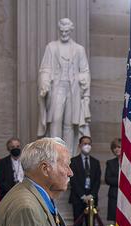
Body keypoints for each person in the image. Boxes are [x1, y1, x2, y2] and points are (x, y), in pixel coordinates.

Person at [38, 18, 91, 150]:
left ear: (70, 30)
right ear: (59, 30)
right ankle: (55, 152)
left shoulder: (79, 49)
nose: (64, 34)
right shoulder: (51, 47)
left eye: (66, 31)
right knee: (56, 120)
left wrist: (82, 79)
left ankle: (68, 154)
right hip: (57, 87)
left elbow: (85, 70)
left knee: (70, 123)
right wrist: (44, 81)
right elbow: (45, 68)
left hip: (73, 89)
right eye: (62, 31)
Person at [68, 135, 101, 226]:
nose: (87, 146)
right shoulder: (73, 161)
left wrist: (91, 195)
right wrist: (83, 196)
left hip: (92, 199)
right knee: (78, 225)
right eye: (84, 143)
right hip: (78, 198)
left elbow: (97, 181)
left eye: (89, 144)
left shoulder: (95, 162)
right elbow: (73, 180)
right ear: (80, 145)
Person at [104, 138, 121, 223]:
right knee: (115, 221)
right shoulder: (110, 162)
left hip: (127, 196)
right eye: (114, 147)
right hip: (114, 195)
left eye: (119, 147)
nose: (116, 149)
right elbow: (108, 179)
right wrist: (123, 181)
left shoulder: (129, 163)